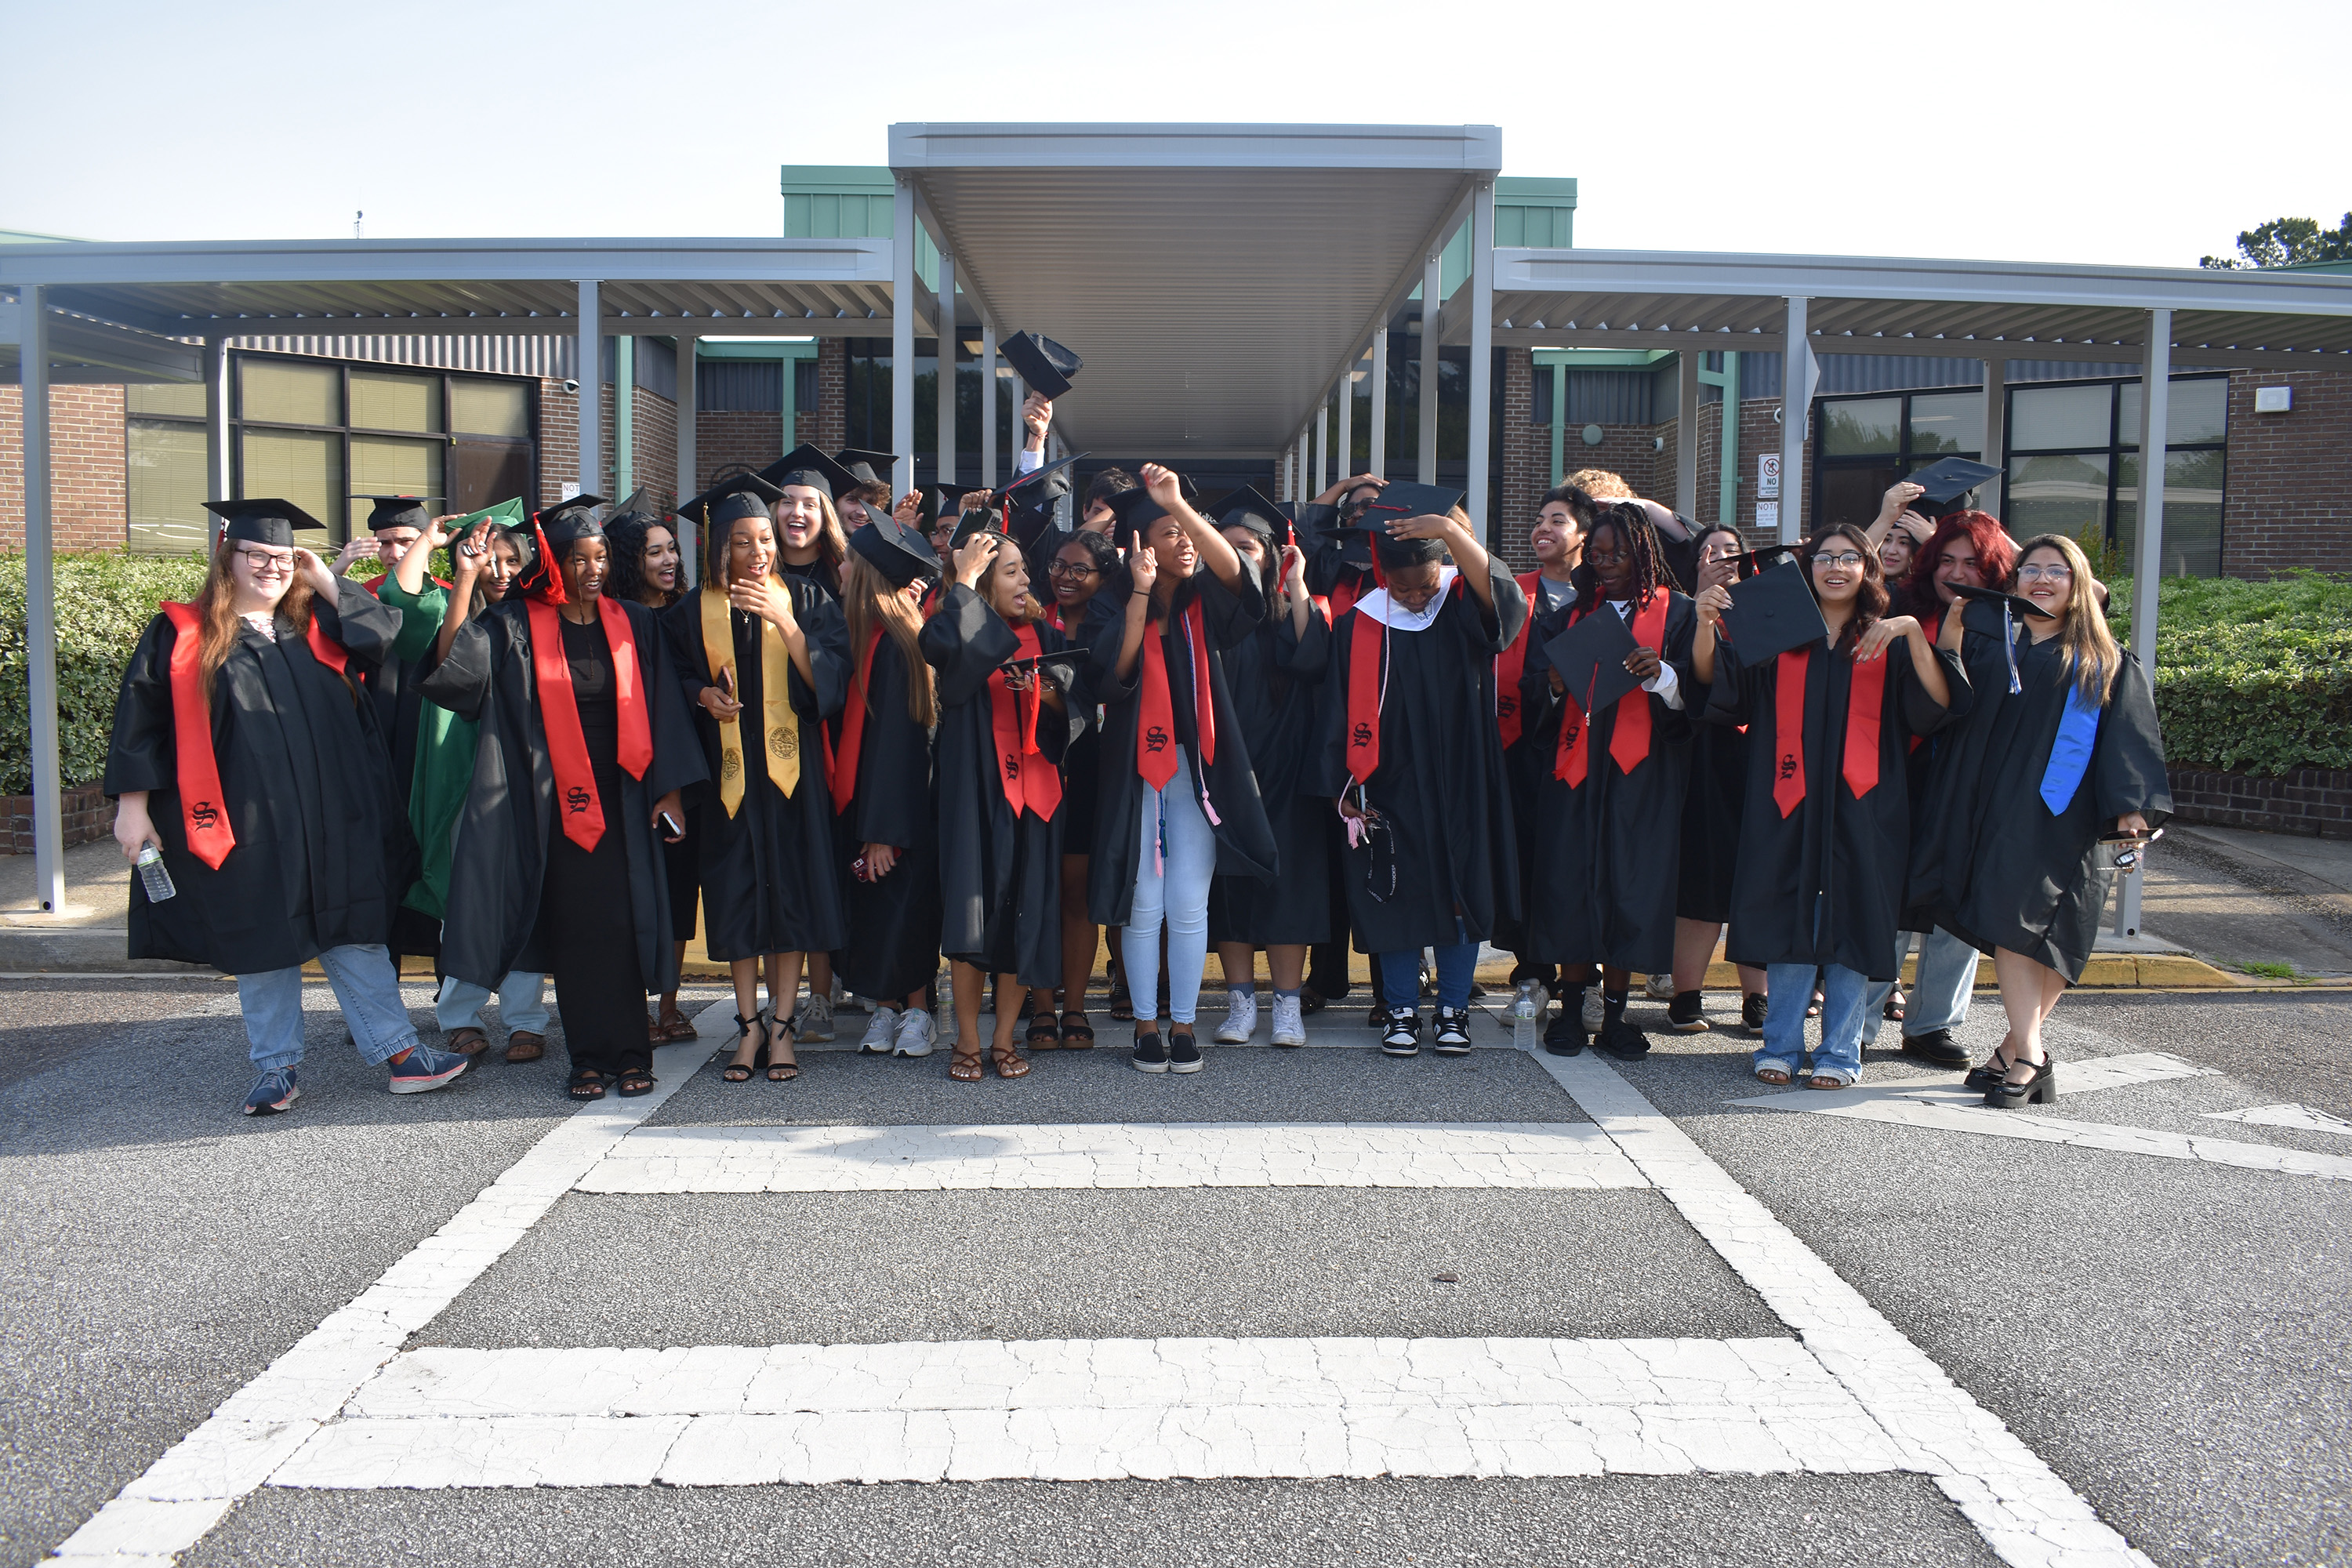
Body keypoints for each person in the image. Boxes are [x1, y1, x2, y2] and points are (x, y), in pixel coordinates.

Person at [106, 499, 476, 1115]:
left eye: (284, 557)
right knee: (263, 937)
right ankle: (275, 1069)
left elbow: (389, 632)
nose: (272, 567)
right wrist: (132, 807)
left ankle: (401, 1054)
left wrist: (325, 577)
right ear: (229, 558)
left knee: (354, 928)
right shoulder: (182, 633)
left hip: (334, 816)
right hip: (247, 821)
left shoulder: (317, 626)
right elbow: (141, 722)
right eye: (259, 555)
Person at [423, 495, 701, 1100]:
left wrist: (671, 791)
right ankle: (588, 1059)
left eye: (600, 557)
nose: (593, 569)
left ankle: (632, 1053)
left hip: (628, 796)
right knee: (577, 931)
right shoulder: (517, 624)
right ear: (554, 564)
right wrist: (466, 580)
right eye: (579, 559)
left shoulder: (636, 622)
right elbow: (453, 673)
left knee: (623, 927)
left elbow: (666, 709)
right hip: (555, 802)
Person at [1695, 523, 1964, 1090]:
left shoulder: (1886, 639)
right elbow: (1720, 689)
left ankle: (1842, 1051)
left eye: (1849, 557)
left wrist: (1914, 632)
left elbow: (1937, 706)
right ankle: (1782, 1044)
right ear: (1807, 566)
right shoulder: (1778, 633)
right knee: (1788, 918)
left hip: (1866, 805)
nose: (1836, 567)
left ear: (1869, 568)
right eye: (1824, 557)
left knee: (1855, 921)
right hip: (1784, 801)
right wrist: (1703, 623)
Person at [1908, 534, 2169, 1109]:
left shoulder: (2105, 660)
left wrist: (2132, 813)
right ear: (2015, 581)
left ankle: (2017, 1050)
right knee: (2012, 925)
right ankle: (2028, 1053)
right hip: (1999, 814)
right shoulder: (1991, 646)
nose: (2043, 579)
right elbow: (1949, 702)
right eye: (2032, 569)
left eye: (2058, 571)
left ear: (2079, 586)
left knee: (2056, 938)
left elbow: (2130, 741)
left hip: (2070, 819)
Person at [1312, 491, 1528, 1058]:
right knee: (1395, 892)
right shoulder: (1359, 626)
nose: (1413, 598)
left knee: (1463, 890)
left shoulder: (1458, 604)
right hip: (1388, 782)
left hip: (1463, 776)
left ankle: (1454, 1010)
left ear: (1444, 568)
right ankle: (1401, 1010)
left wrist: (1457, 536)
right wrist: (1346, 787)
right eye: (1401, 588)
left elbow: (1504, 603)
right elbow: (1336, 710)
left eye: (1425, 585)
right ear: (1382, 575)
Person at [662, 474, 849, 1085]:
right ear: (723, 548)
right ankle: (747, 1030)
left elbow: (833, 684)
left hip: (793, 788)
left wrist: (785, 622)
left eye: (765, 539)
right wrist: (701, 695)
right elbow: (674, 677)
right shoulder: (694, 611)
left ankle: (784, 1027)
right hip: (729, 786)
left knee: (789, 901)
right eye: (745, 541)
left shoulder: (806, 598)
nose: (760, 550)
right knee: (740, 902)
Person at [1091, 466, 1276, 1074]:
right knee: (1145, 901)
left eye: (1189, 531)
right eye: (1169, 532)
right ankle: (1146, 1023)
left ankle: (1185, 1023)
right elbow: (1113, 676)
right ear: (1140, 545)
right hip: (1134, 770)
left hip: (1199, 770)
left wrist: (1181, 507)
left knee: (1189, 901)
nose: (1186, 542)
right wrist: (1141, 593)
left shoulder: (1205, 604)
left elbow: (1242, 579)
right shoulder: (1113, 599)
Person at [1517, 502, 1697, 1060]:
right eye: (1596, 554)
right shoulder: (1565, 616)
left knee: (1628, 888)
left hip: (1643, 779)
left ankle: (1617, 1016)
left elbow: (1704, 695)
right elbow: (1532, 698)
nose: (1606, 563)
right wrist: (1548, 683)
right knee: (1571, 887)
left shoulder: (1680, 616)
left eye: (1617, 553)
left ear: (1644, 552)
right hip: (1574, 776)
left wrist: (1664, 677)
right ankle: (1572, 1010)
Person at [376, 506, 555, 1064]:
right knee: (465, 892)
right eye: (488, 560)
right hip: (459, 771)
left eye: (510, 560)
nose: (500, 570)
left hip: (522, 773)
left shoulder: (538, 617)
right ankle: (459, 1014)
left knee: (524, 885)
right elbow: (439, 649)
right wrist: (457, 571)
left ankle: (526, 1017)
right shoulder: (448, 606)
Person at [921, 515, 1077, 1081]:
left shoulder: (1049, 637)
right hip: (975, 799)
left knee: (1023, 921)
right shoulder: (952, 628)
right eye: (1008, 571)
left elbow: (1073, 716)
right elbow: (943, 657)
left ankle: (1005, 1038)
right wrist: (962, 581)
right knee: (974, 919)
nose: (1023, 581)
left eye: (1022, 570)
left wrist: (1049, 693)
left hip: (1035, 802)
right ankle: (966, 1039)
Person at [1868, 509, 2022, 1064]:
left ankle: (1930, 1025)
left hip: (1970, 784)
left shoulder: (2010, 623)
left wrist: (1962, 536)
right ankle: (1857, 1020)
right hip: (1900, 773)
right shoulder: (1903, 608)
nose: (1955, 571)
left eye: (1972, 562)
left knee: (1954, 905)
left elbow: (2091, 590)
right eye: (1945, 560)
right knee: (1885, 900)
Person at [1204, 488, 1331, 1048]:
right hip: (1226, 770)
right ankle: (1239, 1003)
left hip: (1287, 770)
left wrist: (1298, 585)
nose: (1239, 556)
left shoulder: (1293, 608)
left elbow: (1313, 659)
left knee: (1290, 886)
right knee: (1231, 887)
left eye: (1250, 547)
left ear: (1271, 555)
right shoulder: (1206, 615)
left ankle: (1286, 1006)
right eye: (1229, 547)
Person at [829, 513, 946, 1059]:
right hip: (864, 802)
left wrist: (883, 832)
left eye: (850, 560)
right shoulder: (869, 635)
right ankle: (885, 1007)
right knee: (879, 911)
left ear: (870, 574)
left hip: (896, 811)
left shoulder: (899, 644)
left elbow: (901, 749)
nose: (841, 566)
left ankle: (918, 1011)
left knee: (906, 908)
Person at [604, 495, 703, 1047]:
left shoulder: (687, 613)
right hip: (627, 771)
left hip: (682, 771)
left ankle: (668, 1004)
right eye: (654, 553)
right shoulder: (613, 620)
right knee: (632, 891)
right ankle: (635, 1004)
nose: (669, 561)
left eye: (671, 550)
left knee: (678, 890)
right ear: (628, 560)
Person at [1491, 482, 1595, 1004]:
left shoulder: (1605, 595)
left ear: (1584, 536)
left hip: (1592, 753)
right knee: (1527, 857)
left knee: (1583, 863)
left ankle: (1587, 977)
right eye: (1540, 519)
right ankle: (1531, 970)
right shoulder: (1515, 590)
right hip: (1526, 750)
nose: (1543, 529)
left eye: (1558, 520)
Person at [1665, 524, 1768, 1035]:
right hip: (1704, 754)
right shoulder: (1681, 613)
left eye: (1733, 551)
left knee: (1756, 876)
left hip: (1763, 755)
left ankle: (1758, 999)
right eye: (1711, 551)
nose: (1723, 558)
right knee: (1703, 876)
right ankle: (1686, 996)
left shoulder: (1765, 610)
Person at [1295, 472, 1387, 1017]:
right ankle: (1324, 979)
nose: (1360, 515)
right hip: (1327, 723)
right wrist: (1345, 486)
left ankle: (1390, 987)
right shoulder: (1330, 566)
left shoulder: (1399, 570)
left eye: (1373, 506)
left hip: (1383, 724)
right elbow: (1302, 530)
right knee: (1330, 864)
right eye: (1353, 509)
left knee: (1382, 862)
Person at [1041, 527, 1122, 1049]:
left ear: (1102, 577)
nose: (1065, 577)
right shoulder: (1032, 620)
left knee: (1075, 895)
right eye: (1058, 565)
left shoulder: (1109, 630)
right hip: (1032, 765)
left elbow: (1095, 694)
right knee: (1037, 891)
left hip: (1091, 772)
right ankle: (1041, 1006)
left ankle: (1074, 1007)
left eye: (1079, 569)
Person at [755, 445, 855, 601]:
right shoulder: (756, 569)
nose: (797, 512)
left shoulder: (843, 575)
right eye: (788, 502)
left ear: (825, 518)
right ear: (775, 511)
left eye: (810, 505)